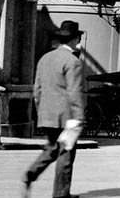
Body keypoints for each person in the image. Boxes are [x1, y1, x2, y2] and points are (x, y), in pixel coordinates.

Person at [22, 21, 85, 198]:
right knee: (66, 155)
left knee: (51, 149)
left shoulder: (45, 59)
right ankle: (61, 194)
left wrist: (41, 111)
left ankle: (31, 173)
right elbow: (74, 92)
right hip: (67, 117)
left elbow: (37, 90)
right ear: (74, 39)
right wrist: (79, 117)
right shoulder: (73, 61)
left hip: (47, 114)